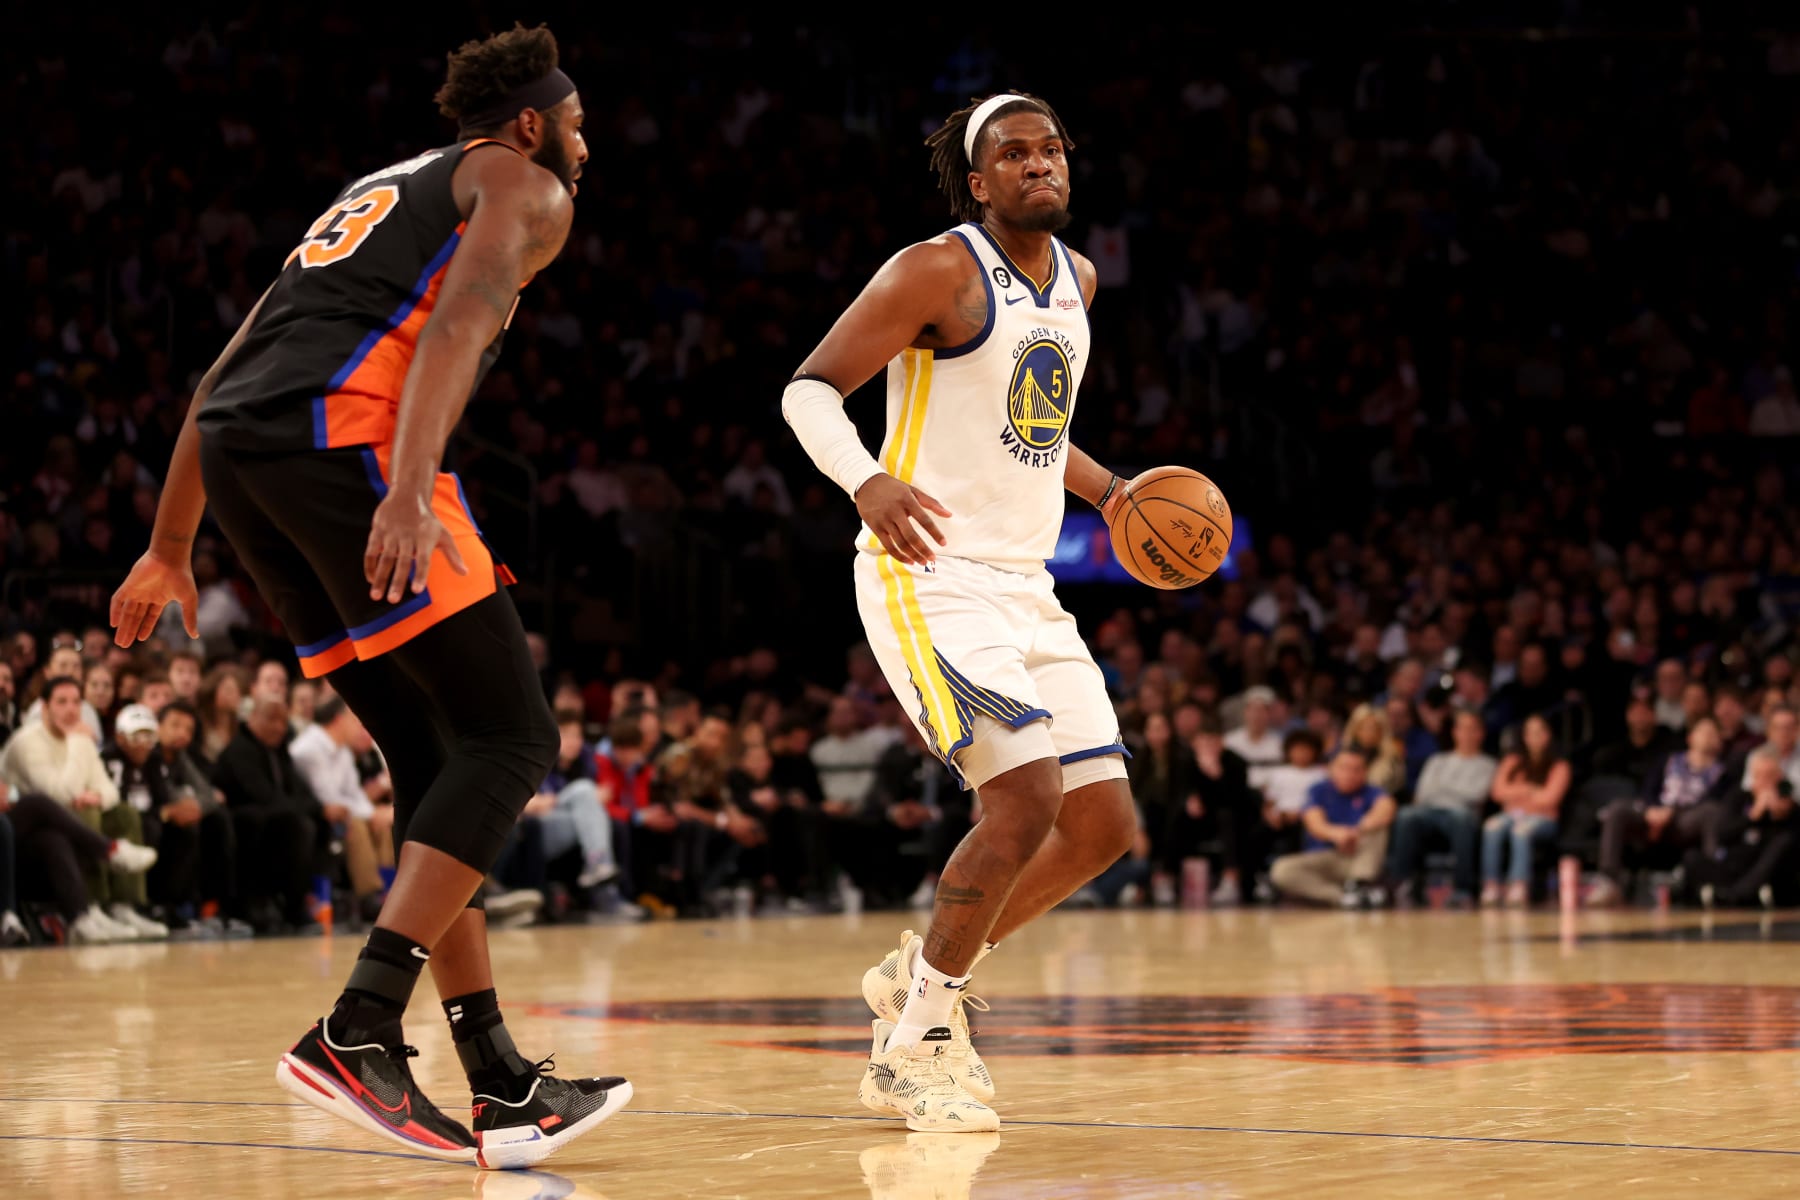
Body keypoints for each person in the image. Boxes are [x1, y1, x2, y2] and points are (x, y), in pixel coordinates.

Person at [106, 23, 627, 1166]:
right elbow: (460, 318)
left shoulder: (381, 188)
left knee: (442, 763)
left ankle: (496, 1076)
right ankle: (360, 1025)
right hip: (350, 445)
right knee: (512, 737)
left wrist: (171, 543)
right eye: (578, 121)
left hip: (249, 453)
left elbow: (223, 371)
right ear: (533, 123)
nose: (587, 142)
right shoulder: (526, 184)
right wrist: (401, 491)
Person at [783, 91, 1136, 1133]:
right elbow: (809, 390)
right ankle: (918, 1044)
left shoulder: (1080, 280)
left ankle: (921, 969)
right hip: (927, 569)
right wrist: (865, 481)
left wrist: (1113, 493)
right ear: (978, 181)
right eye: (1013, 154)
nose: (1039, 165)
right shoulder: (933, 269)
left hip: (1029, 583)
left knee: (1103, 823)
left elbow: (1027, 433)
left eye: (1052, 150)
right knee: (1022, 796)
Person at [0, 677, 162, 940]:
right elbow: (59, 794)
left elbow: (109, 790)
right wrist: (76, 741)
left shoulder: (82, 739)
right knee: (70, 814)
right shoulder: (28, 741)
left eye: (76, 702)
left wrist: (96, 796)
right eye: (61, 702)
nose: (71, 709)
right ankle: (98, 886)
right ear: (44, 708)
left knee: (122, 813)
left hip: (49, 831)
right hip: (21, 829)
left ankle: (118, 908)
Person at [1588, 715, 1727, 907]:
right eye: (1703, 732)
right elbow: (1648, 789)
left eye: (1713, 733)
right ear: (1691, 737)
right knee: (1618, 809)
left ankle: (1712, 880)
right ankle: (1610, 880)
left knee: (1712, 811)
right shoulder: (1669, 760)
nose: (1708, 737)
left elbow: (1712, 801)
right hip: (1654, 814)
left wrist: (1672, 813)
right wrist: (1651, 810)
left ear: (1720, 741)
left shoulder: (1721, 772)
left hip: (1685, 821)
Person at [290, 695, 396, 924]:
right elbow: (327, 797)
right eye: (354, 720)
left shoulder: (343, 751)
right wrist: (371, 813)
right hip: (315, 815)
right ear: (338, 720)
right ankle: (368, 896)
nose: (360, 727)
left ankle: (391, 893)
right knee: (357, 824)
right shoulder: (309, 748)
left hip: (339, 812)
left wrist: (375, 814)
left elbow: (354, 795)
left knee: (383, 825)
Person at [1387, 709, 1497, 907]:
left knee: (1461, 817)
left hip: (1462, 814)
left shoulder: (1488, 764)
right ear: (1454, 732)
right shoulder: (1437, 760)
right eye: (1462, 728)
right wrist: (1455, 792)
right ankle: (1404, 882)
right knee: (1406, 815)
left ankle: (1462, 888)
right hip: (1428, 812)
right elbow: (1422, 794)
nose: (1467, 734)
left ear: (1481, 733)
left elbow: (1476, 796)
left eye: (1472, 729)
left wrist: (1442, 789)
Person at [1269, 747, 1396, 907]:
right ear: (1331, 769)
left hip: (1360, 856)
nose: (1350, 774)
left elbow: (1386, 809)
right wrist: (1336, 834)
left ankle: (1360, 883)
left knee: (1378, 829)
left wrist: (1357, 831)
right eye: (1344, 768)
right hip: (1326, 856)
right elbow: (1313, 822)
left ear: (1365, 772)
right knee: (1282, 870)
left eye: (1356, 769)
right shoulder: (1318, 790)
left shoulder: (1372, 791)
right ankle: (1345, 897)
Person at [1688, 747, 1797, 909]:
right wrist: (1752, 816)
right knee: (1692, 857)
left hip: (1769, 869)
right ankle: (1728, 892)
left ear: (1779, 776)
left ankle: (1737, 895)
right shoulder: (1739, 796)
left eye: (1769, 776)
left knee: (1784, 842)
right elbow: (1722, 835)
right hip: (1736, 863)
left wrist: (1780, 816)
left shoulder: (1788, 803)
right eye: (1759, 776)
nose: (1764, 782)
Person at [1480, 713, 1570, 906]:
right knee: (1492, 826)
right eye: (1530, 732)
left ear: (1549, 735)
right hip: (1511, 814)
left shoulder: (1559, 766)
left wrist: (1516, 795)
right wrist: (1530, 789)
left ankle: (1519, 884)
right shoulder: (1512, 761)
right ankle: (1491, 884)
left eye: (1539, 732)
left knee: (1521, 830)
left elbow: (1550, 799)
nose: (1534, 737)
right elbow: (1497, 792)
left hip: (1543, 819)